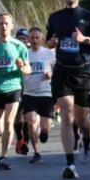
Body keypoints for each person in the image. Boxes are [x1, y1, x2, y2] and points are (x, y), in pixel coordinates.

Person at [46, 0, 90, 179]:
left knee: (83, 120)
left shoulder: (89, 17)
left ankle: (87, 137)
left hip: (83, 72)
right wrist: (51, 42)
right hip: (62, 71)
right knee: (66, 112)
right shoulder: (55, 17)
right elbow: (49, 40)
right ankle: (70, 164)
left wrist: (84, 40)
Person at [0, 13, 30, 171]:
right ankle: (2, 136)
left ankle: (3, 156)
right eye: (1, 23)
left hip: (13, 87)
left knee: (9, 122)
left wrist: (22, 67)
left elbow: (28, 69)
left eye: (6, 23)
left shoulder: (19, 46)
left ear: (11, 26)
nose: (3, 26)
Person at [22, 27, 56, 164]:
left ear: (42, 39)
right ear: (28, 40)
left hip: (46, 93)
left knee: (45, 127)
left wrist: (51, 74)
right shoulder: (24, 54)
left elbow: (57, 70)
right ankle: (36, 152)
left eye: (37, 38)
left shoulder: (49, 53)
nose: (35, 40)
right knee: (31, 124)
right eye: (32, 38)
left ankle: (45, 132)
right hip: (29, 93)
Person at [13, 27, 31, 155]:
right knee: (18, 117)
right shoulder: (12, 51)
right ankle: (20, 138)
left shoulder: (31, 52)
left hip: (30, 87)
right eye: (20, 39)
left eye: (24, 38)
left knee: (28, 117)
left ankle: (25, 141)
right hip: (16, 86)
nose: (22, 41)